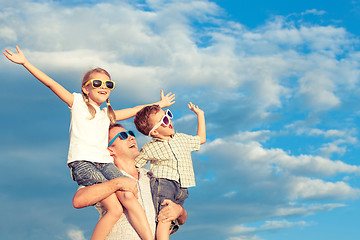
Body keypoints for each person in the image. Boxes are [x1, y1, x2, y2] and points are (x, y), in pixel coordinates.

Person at [3, 46, 175, 240]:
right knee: (114, 209)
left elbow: (136, 109)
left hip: (105, 163)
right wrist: (26, 63)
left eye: (108, 84)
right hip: (83, 163)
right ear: (85, 88)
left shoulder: (107, 115)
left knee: (129, 193)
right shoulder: (77, 104)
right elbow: (51, 84)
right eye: (97, 82)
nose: (103, 86)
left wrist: (159, 105)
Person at [72, 123, 188, 239]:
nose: (131, 137)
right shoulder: (104, 176)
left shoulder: (153, 178)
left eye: (131, 133)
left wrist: (179, 210)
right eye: (122, 135)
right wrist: (117, 183)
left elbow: (182, 219)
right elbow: (78, 200)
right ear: (110, 150)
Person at [133, 103, 206, 240]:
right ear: (154, 132)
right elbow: (134, 164)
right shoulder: (150, 148)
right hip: (163, 183)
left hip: (182, 187)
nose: (169, 121)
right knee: (164, 219)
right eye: (164, 121)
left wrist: (200, 115)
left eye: (168, 115)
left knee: (171, 221)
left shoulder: (182, 139)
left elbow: (201, 139)